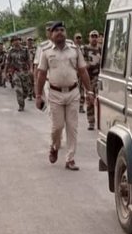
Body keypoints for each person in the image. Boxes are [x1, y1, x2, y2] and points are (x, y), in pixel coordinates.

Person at [34, 20, 94, 171]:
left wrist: (89, 91)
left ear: (65, 33)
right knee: (57, 127)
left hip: (73, 92)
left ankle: (70, 159)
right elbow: (41, 74)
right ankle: (54, 146)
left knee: (72, 127)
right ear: (51, 34)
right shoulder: (46, 51)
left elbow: (83, 71)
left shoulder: (74, 49)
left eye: (62, 30)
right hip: (55, 94)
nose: (60, 32)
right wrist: (38, 95)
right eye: (56, 31)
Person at [82, 30, 103, 131]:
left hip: (99, 78)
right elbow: (82, 62)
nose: (94, 38)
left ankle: (101, 122)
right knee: (90, 100)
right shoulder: (85, 49)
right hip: (89, 78)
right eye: (92, 36)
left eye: (96, 36)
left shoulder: (101, 49)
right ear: (89, 38)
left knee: (100, 101)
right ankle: (91, 122)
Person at [7, 35, 33, 111]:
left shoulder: (25, 49)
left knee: (26, 90)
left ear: (20, 41)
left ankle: (23, 97)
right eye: (14, 40)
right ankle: (21, 105)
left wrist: (31, 69)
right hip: (16, 72)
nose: (16, 41)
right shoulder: (11, 51)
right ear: (12, 42)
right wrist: (5, 72)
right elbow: (8, 62)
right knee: (18, 90)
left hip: (25, 72)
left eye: (17, 40)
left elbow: (29, 60)